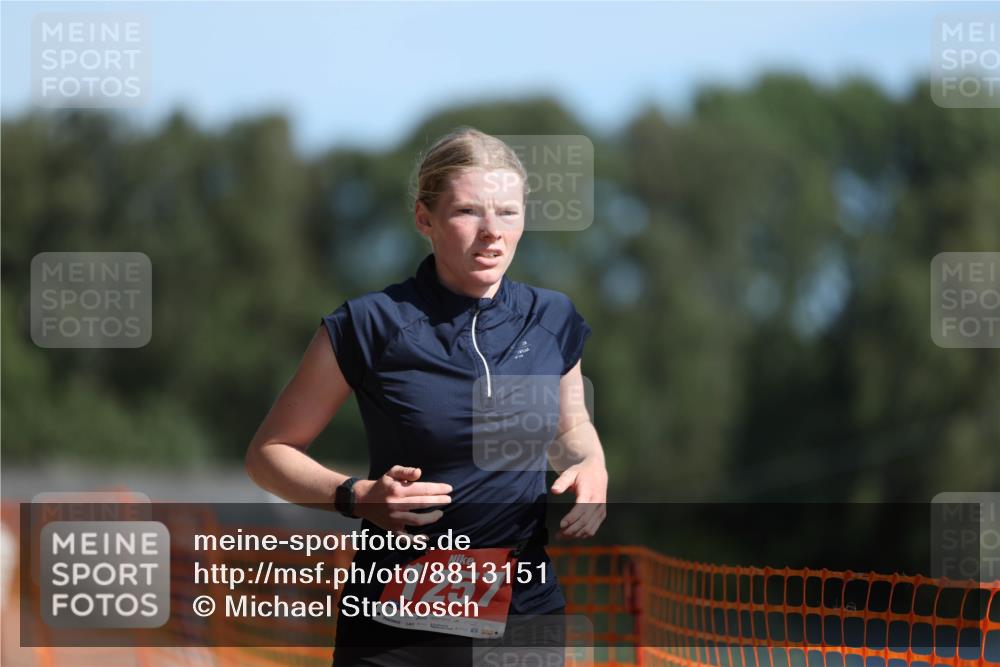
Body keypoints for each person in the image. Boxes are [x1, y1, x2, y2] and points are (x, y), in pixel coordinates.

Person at [245, 127, 607, 666]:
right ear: (425, 219)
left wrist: (593, 465)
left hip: (523, 614)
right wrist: (356, 495)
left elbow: (571, 427)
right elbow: (267, 455)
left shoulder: (552, 318)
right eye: (468, 212)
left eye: (508, 213)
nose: (492, 233)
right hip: (396, 626)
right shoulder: (369, 324)